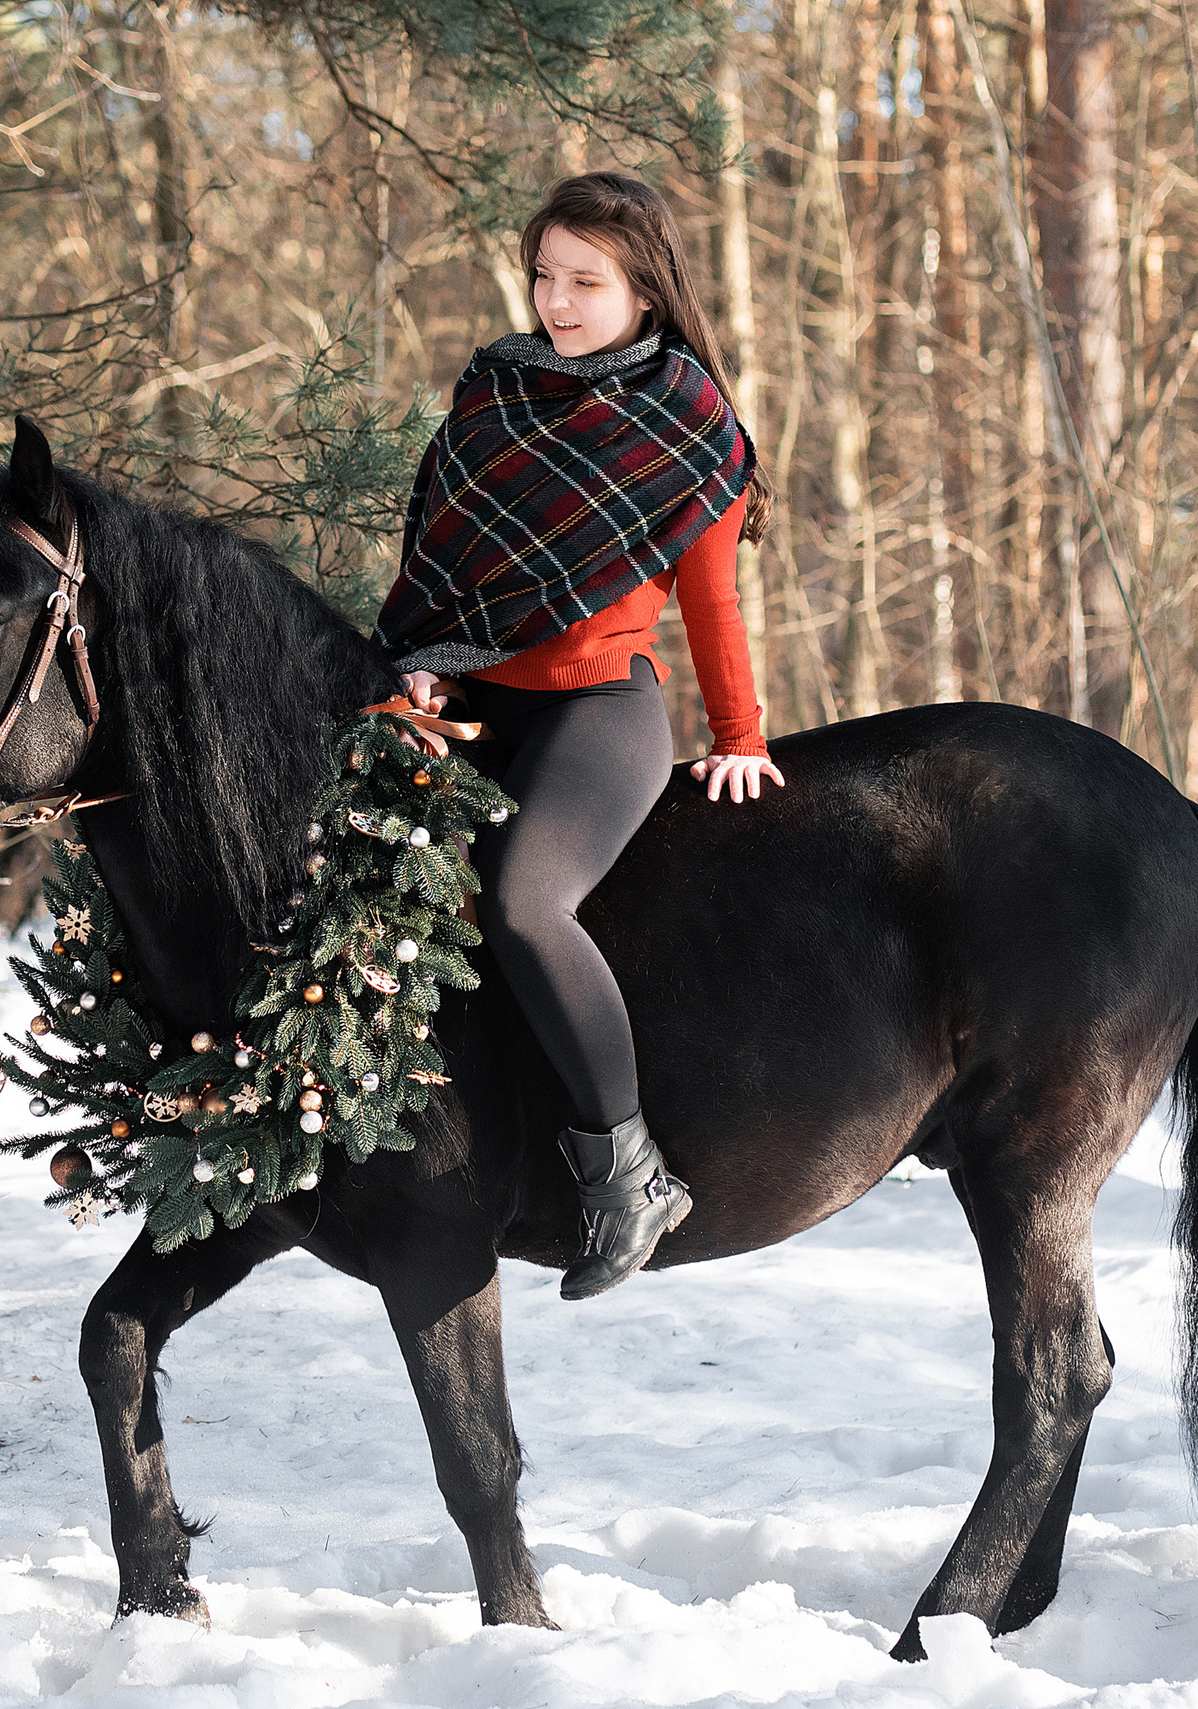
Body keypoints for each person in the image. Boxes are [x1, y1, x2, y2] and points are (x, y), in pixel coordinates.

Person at [373, 171, 784, 1300]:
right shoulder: (495, 390)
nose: (556, 301)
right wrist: (411, 657)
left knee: (519, 897)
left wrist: (739, 731)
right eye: (545, 276)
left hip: (600, 708)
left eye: (584, 281)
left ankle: (628, 1169)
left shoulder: (687, 418)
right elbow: (439, 563)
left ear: (644, 291)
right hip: (463, 696)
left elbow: (710, 600)